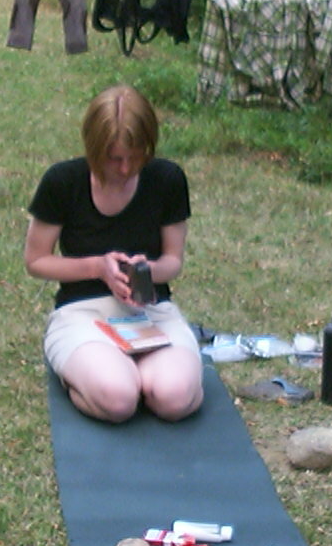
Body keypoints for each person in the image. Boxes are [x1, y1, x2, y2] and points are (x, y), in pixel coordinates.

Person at [24, 85, 205, 422]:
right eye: (114, 158)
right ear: (94, 148)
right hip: (83, 311)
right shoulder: (63, 181)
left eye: (135, 157)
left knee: (174, 398)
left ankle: (148, 375)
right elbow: (35, 261)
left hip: (150, 311)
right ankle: (92, 374)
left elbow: (173, 261)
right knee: (119, 400)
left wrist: (147, 270)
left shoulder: (167, 179)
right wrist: (98, 268)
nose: (125, 168)